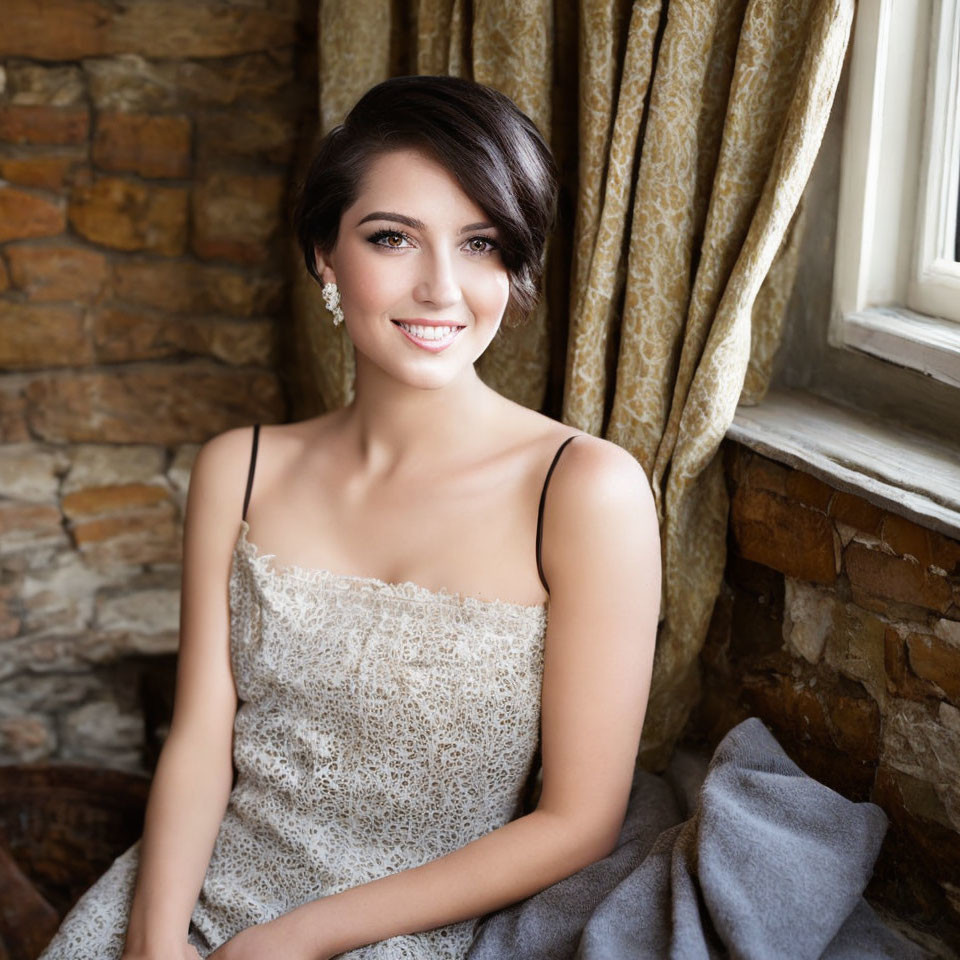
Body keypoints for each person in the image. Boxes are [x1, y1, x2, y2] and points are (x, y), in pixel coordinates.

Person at [37, 74, 661, 960]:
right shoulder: (240, 467)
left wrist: (290, 943)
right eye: (392, 238)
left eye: (479, 243)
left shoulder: (585, 489)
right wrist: (153, 934)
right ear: (326, 255)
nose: (442, 287)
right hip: (193, 890)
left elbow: (577, 820)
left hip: (409, 930)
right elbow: (200, 739)